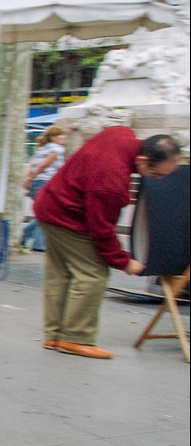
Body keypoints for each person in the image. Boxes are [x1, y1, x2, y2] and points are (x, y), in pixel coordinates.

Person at [33, 127, 180, 359]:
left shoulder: (121, 134)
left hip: (50, 205)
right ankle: (76, 338)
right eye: (156, 174)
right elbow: (100, 231)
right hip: (67, 216)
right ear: (142, 160)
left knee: (60, 273)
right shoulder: (111, 180)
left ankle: (55, 335)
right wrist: (123, 262)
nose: (156, 179)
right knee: (92, 273)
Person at [19, 125, 67, 253]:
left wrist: (28, 178)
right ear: (53, 137)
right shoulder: (57, 149)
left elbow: (31, 164)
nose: (63, 137)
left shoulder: (40, 148)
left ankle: (30, 238)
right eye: (60, 135)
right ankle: (31, 239)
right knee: (46, 213)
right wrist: (34, 175)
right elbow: (45, 164)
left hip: (36, 183)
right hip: (47, 183)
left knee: (43, 212)